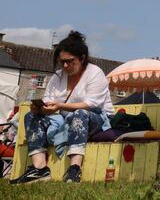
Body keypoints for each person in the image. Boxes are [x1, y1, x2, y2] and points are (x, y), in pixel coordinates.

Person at [11, 31, 114, 184]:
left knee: (80, 113)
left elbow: (91, 104)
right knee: (31, 116)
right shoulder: (57, 76)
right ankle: (39, 169)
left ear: (82, 58)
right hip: (65, 117)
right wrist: (40, 108)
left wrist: (59, 105)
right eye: (62, 62)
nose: (65, 65)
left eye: (70, 61)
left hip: (97, 118)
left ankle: (74, 169)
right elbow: (48, 100)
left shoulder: (95, 73)